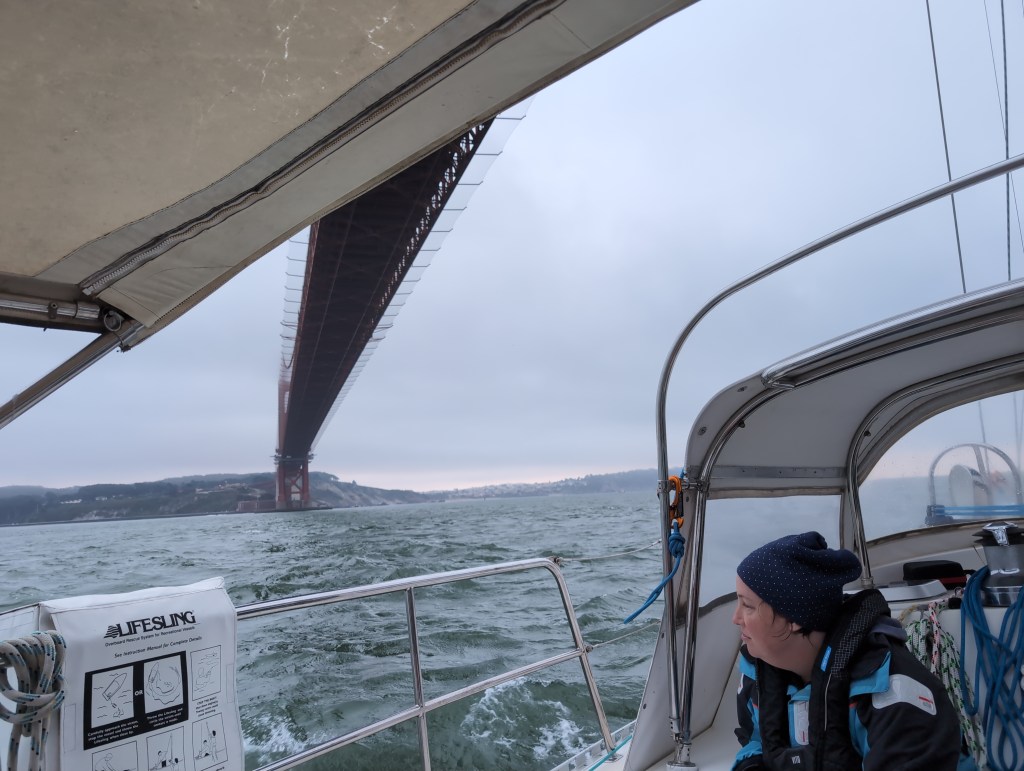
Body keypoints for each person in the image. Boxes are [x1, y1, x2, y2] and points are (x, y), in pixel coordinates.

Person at [731, 531, 975, 770]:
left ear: (794, 618)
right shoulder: (756, 674)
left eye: (748, 606)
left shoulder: (893, 691)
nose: (735, 618)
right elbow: (755, 741)